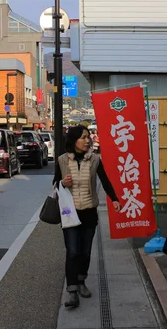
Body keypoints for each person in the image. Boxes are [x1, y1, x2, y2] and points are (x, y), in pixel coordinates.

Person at [53, 125, 121, 308]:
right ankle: (72, 291)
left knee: (85, 252)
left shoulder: (94, 160)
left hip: (89, 212)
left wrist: (114, 199)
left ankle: (81, 281)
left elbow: (105, 180)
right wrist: (62, 182)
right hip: (69, 213)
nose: (87, 140)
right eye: (83, 137)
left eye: (88, 137)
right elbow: (55, 185)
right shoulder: (61, 160)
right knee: (73, 251)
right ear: (74, 140)